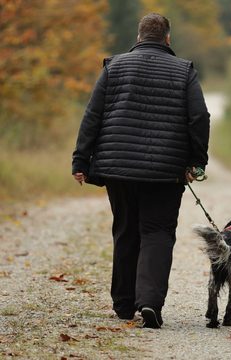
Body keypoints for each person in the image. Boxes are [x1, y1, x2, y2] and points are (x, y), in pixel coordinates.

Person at [72, 13, 210, 328]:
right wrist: (196, 161)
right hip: (165, 170)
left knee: (125, 230)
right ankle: (149, 303)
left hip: (117, 168)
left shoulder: (114, 66)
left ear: (138, 37)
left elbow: (92, 115)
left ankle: (123, 304)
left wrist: (81, 160)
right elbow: (199, 117)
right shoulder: (184, 71)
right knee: (157, 232)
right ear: (168, 39)